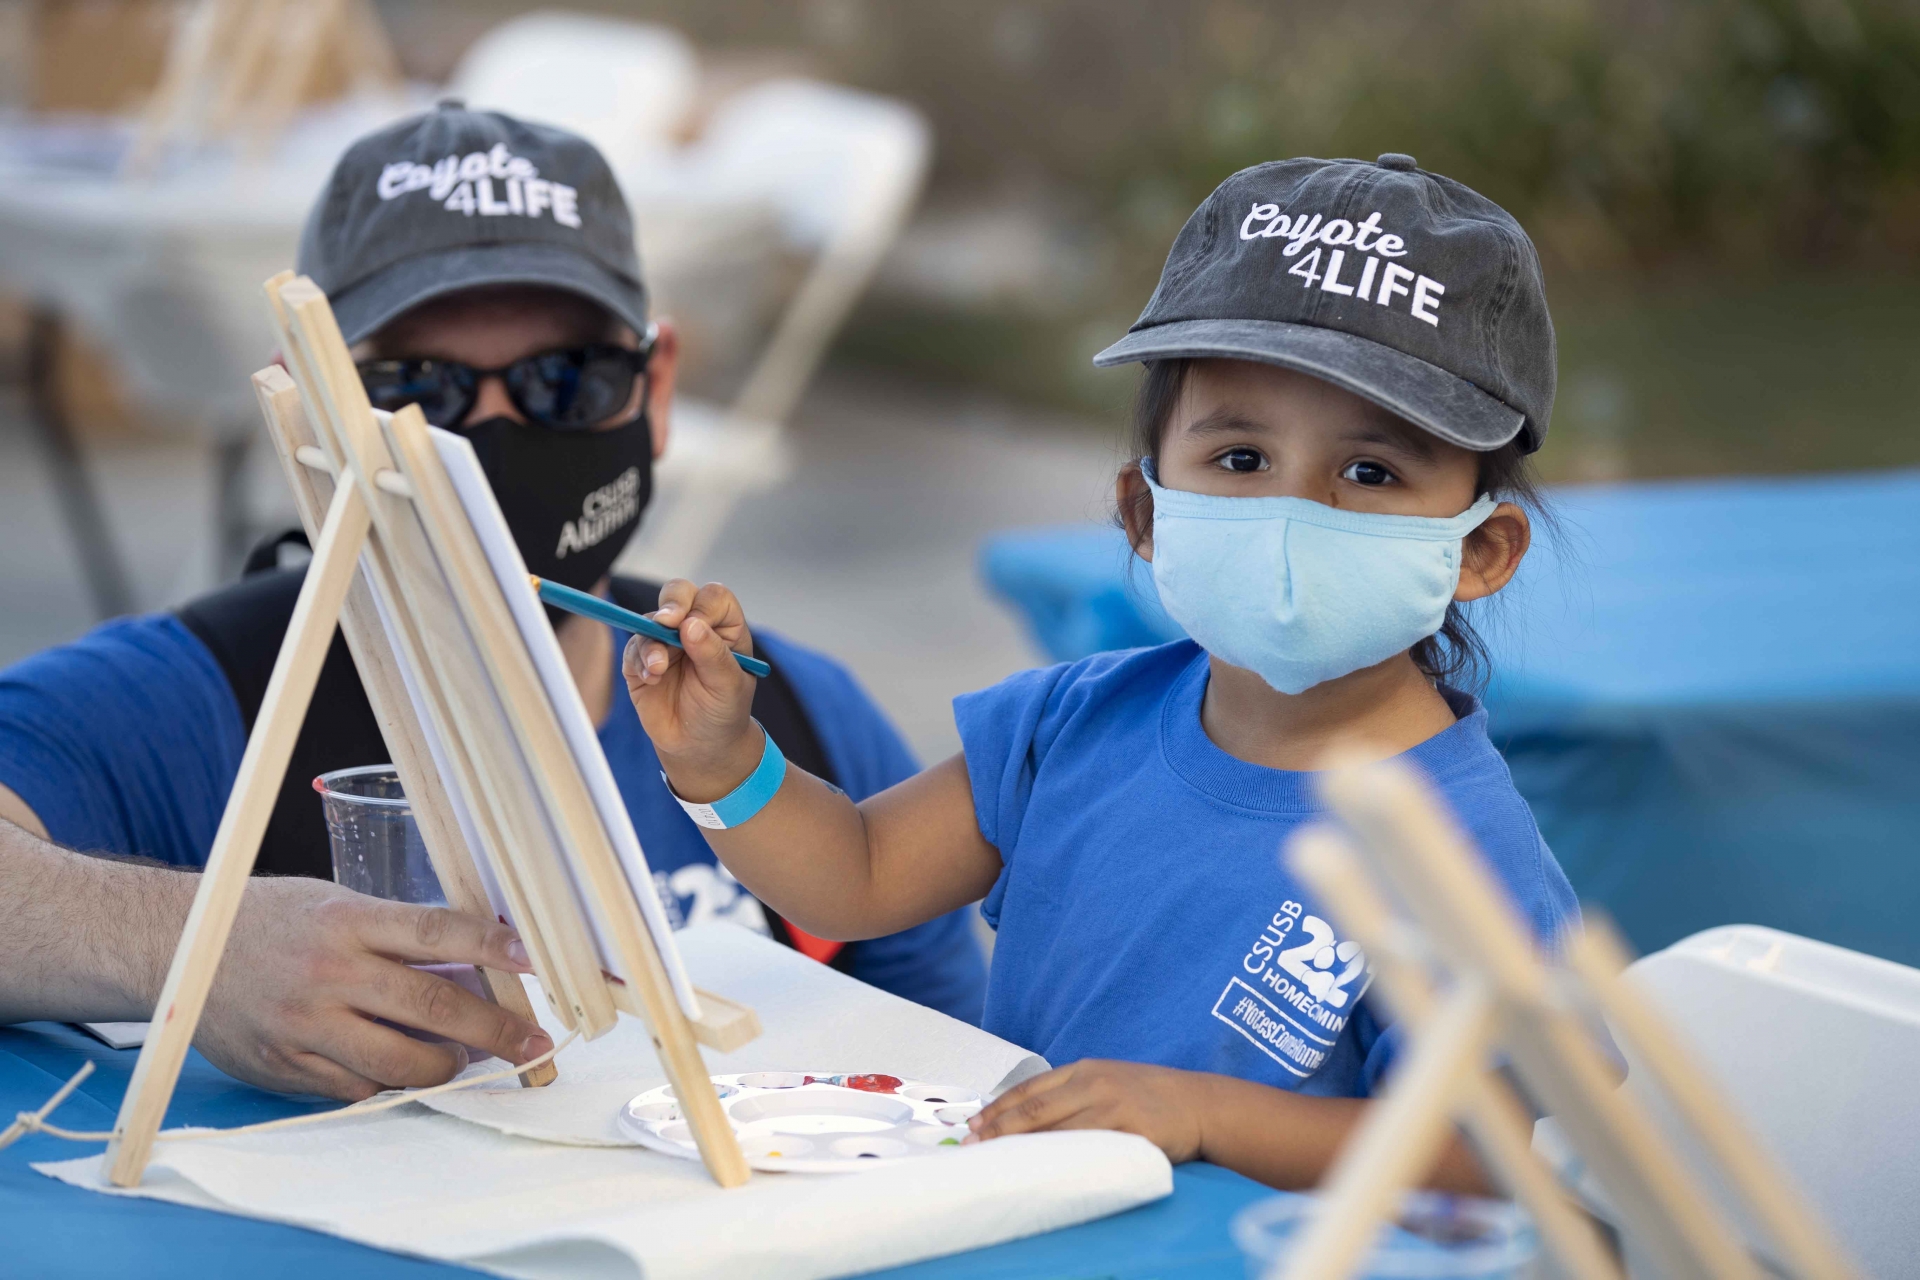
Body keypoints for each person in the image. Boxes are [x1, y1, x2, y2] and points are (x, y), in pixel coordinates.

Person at [621, 154, 1577, 1191]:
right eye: (1242, 459)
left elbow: (1479, 1149)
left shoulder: (1464, 850)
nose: (1293, 513)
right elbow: (854, 872)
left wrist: (1201, 1113)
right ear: (1144, 509)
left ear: (1481, 552)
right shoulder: (1075, 721)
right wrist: (723, 760)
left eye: (1371, 471)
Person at [0, 104, 984, 1095]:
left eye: (568, 380)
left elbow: (950, 1093)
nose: (498, 433)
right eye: (416, 387)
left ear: (658, 386)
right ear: (305, 410)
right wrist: (189, 946)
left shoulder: (795, 724)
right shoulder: (203, 700)